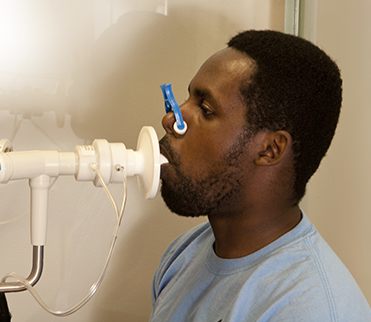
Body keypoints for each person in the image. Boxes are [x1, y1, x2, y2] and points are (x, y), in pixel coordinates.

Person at [151, 29, 371, 321]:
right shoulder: (183, 254)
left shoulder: (310, 310)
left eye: (205, 109)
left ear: (270, 149)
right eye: (187, 99)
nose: (171, 119)